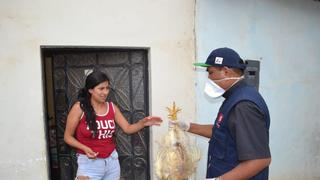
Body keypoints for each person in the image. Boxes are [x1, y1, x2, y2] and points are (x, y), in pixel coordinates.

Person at [175, 47, 271, 180]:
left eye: (211, 72)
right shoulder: (233, 97)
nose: (209, 78)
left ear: (225, 71)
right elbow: (222, 132)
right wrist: (188, 126)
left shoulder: (243, 106)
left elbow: (259, 160)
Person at [64, 70, 162, 180]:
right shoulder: (79, 108)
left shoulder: (111, 107)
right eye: (101, 88)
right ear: (90, 90)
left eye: (107, 88)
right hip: (88, 164)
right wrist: (84, 148)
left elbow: (128, 128)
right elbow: (67, 137)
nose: (105, 92)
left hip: (112, 162)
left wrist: (142, 123)